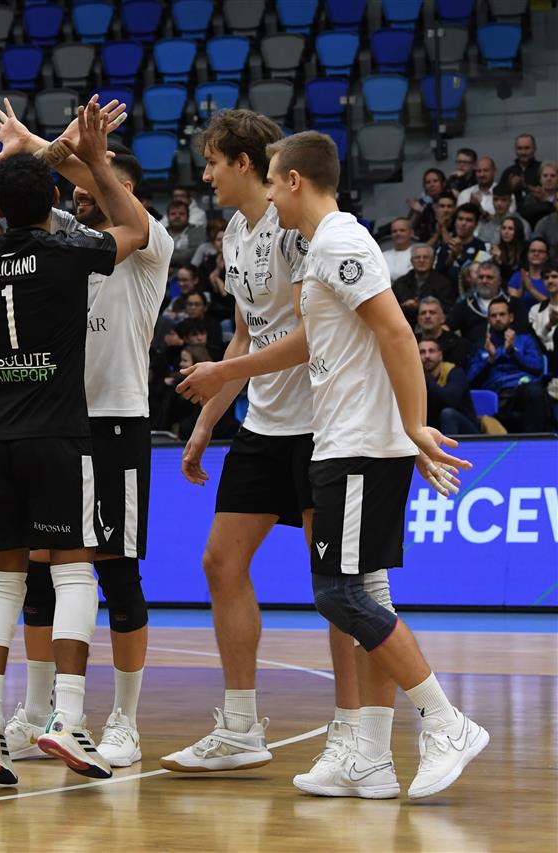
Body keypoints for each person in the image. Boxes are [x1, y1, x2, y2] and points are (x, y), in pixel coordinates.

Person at [179, 130, 489, 800]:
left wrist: (413, 427)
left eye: (273, 181)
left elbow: (397, 332)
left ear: (291, 179)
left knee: (343, 595)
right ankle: (369, 757)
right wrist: (219, 399)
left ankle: (444, 721)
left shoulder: (340, 243)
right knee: (357, 592)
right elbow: (311, 342)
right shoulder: (319, 246)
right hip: (340, 442)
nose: (269, 195)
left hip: (357, 443)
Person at [155, 110, 363, 788]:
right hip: (263, 426)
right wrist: (207, 422)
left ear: (244, 162)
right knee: (220, 561)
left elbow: (310, 334)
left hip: (322, 425)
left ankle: (351, 731)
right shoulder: (235, 235)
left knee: (335, 587)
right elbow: (247, 335)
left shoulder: (295, 228)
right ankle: (241, 727)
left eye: (213, 162)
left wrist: (225, 372)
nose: (205, 175)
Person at [0, 98, 144, 785]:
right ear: (55, 202)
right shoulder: (68, 253)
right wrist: (95, 161)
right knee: (73, 574)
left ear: (2, 207)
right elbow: (135, 227)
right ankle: (68, 718)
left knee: (3, 579)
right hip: (59, 437)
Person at [466, 297, 550, 433]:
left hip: (522, 390)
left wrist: (512, 352)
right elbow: (470, 379)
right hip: (496, 393)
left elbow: (537, 367)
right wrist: (489, 360)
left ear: (511, 317)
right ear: (488, 319)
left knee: (535, 391)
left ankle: (535, 442)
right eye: (493, 315)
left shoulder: (525, 340)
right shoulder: (481, 345)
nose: (498, 318)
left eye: (502, 314)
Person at [450, 260, 525, 343]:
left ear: (499, 281)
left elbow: (524, 332)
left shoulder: (514, 304)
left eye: (489, 277)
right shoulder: (464, 306)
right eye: (481, 277)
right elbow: (446, 327)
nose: (484, 281)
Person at [420, 341, 477, 435]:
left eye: (431, 351)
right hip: (434, 431)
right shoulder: (415, 378)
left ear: (440, 355)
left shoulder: (455, 372)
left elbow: (450, 401)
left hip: (466, 432)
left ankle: (449, 445)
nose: (427, 356)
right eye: (422, 352)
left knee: (448, 414)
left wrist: (426, 380)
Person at [393, 245, 456, 324]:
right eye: (417, 257)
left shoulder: (444, 284)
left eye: (426, 257)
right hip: (404, 325)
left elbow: (449, 310)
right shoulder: (400, 283)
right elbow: (390, 309)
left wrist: (421, 306)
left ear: (433, 260)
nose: (421, 260)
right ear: (411, 261)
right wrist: (404, 306)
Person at [432, 203, 488, 280]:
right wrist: (451, 258)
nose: (463, 223)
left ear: (476, 224)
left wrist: (459, 257)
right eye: (460, 219)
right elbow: (437, 275)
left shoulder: (482, 247)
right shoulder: (445, 246)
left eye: (469, 220)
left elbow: (478, 276)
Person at [415, 296, 469, 369]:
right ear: (418, 320)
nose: (427, 316)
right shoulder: (411, 344)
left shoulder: (459, 346)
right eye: (423, 313)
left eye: (432, 312)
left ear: (443, 318)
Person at [528, 263, 558, 375]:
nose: (550, 281)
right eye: (546, 278)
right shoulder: (535, 310)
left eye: (554, 276)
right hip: (544, 357)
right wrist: (549, 325)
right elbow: (535, 340)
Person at [507, 238, 550, 309]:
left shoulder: (552, 278)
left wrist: (530, 289)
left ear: (547, 256)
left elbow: (554, 305)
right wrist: (522, 288)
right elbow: (512, 305)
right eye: (533, 251)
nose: (536, 254)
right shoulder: (517, 276)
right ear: (527, 254)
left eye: (541, 251)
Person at [407, 168, 446, 241]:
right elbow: (408, 228)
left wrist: (422, 210)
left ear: (443, 184)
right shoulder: (421, 202)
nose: (432, 185)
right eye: (428, 182)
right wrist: (416, 213)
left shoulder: (448, 201)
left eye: (435, 181)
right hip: (422, 241)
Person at [166, 199, 206, 269]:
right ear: (167, 216)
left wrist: (165, 256)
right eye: (173, 214)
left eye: (181, 214)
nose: (177, 216)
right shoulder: (162, 232)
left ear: (188, 216)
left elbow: (192, 254)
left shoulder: (198, 231)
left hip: (190, 271)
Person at [492, 213, 531, 282]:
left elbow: (516, 276)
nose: (506, 232)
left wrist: (500, 262)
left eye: (510, 229)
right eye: (503, 228)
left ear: (518, 231)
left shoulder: (527, 249)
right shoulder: (498, 248)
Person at [382, 218, 413, 283]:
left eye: (402, 230)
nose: (398, 233)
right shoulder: (383, 256)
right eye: (394, 231)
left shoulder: (419, 256)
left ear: (411, 233)